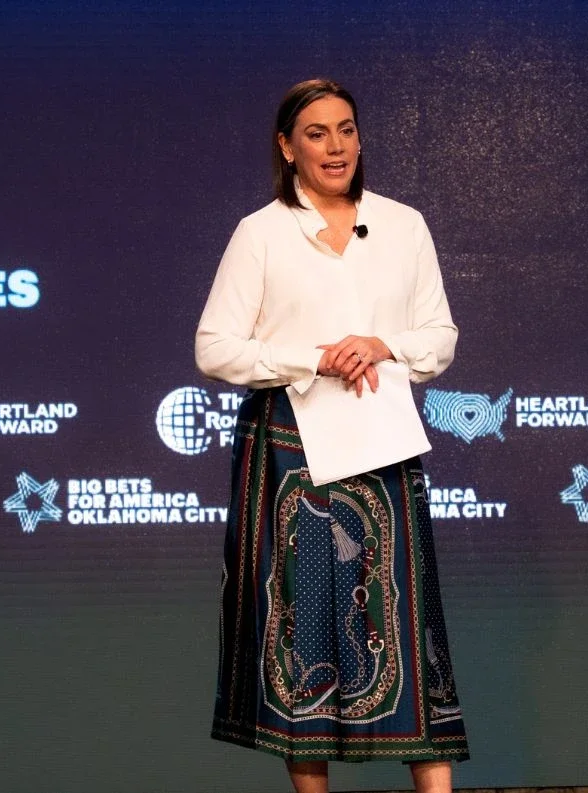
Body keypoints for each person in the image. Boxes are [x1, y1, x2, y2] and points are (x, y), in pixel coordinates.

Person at [196, 79, 469, 793]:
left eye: (346, 129)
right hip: (289, 447)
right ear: (287, 147)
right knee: (303, 628)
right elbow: (215, 347)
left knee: (404, 624)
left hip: (382, 447)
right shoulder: (261, 233)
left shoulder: (403, 225)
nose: (336, 145)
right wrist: (311, 356)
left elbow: (439, 338)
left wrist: (380, 343)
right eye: (316, 133)